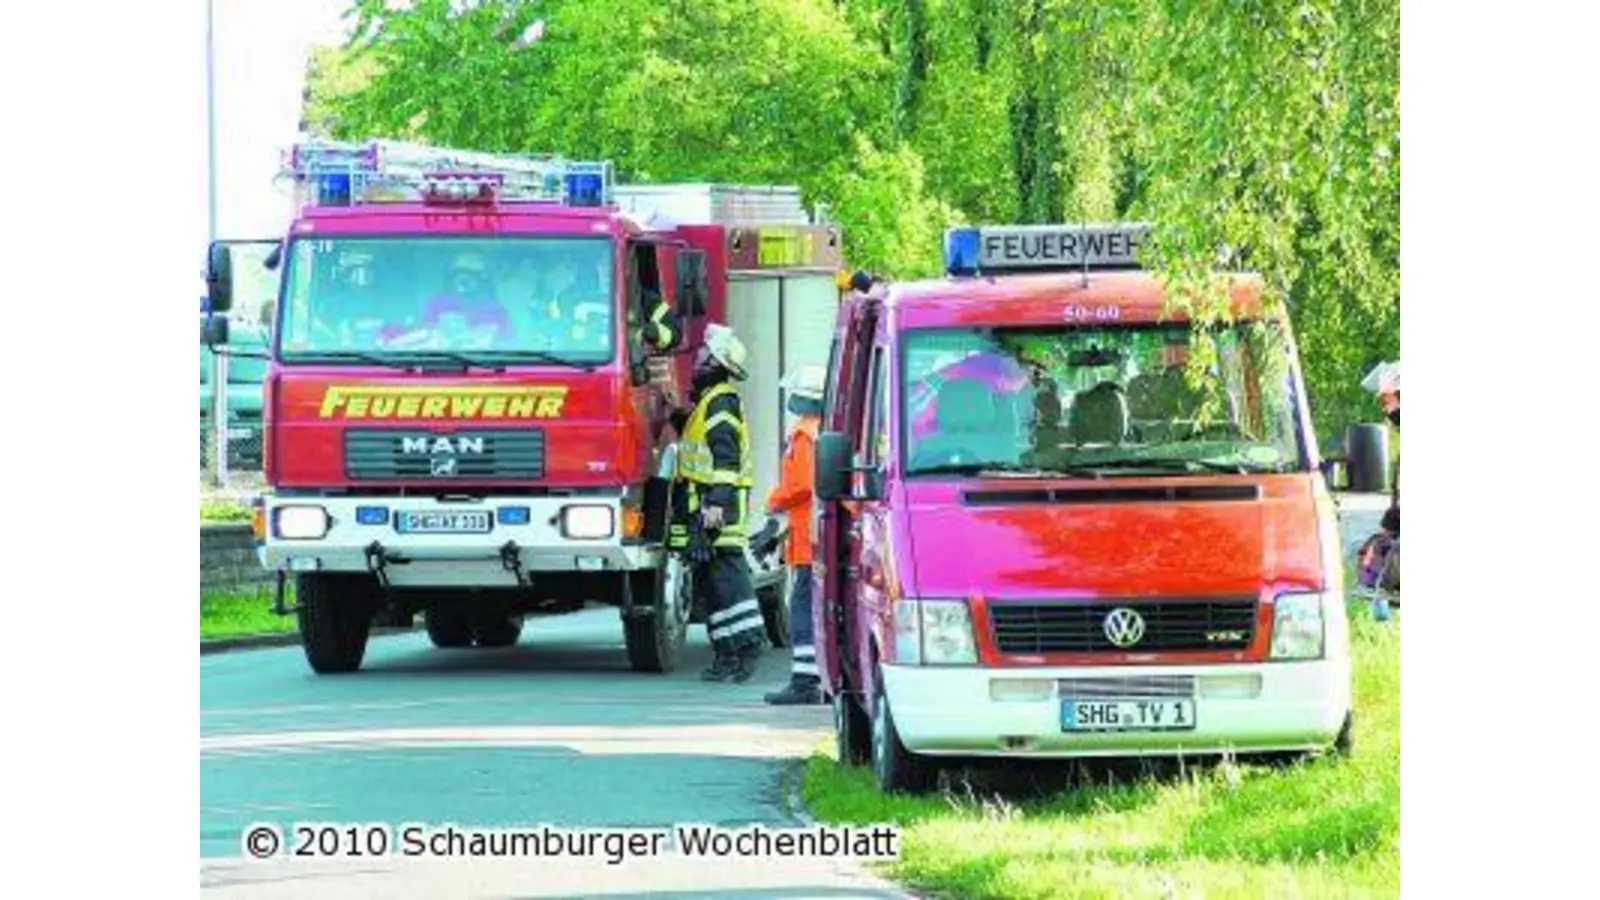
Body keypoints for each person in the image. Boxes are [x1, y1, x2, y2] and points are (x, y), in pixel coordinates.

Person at [669, 323, 765, 682]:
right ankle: (727, 655)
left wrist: (716, 505)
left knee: (728, 579)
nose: (697, 359)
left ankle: (748, 646)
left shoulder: (721, 400)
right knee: (711, 582)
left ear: (717, 362)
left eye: (704, 354)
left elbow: (725, 458)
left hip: (716, 507)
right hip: (704, 504)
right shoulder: (709, 401)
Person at [756, 365, 827, 705]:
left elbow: (801, 485)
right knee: (816, 605)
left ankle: (805, 681)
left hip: (807, 537)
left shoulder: (804, 435)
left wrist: (773, 501)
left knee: (802, 605)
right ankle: (822, 679)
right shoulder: (825, 430)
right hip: (815, 532)